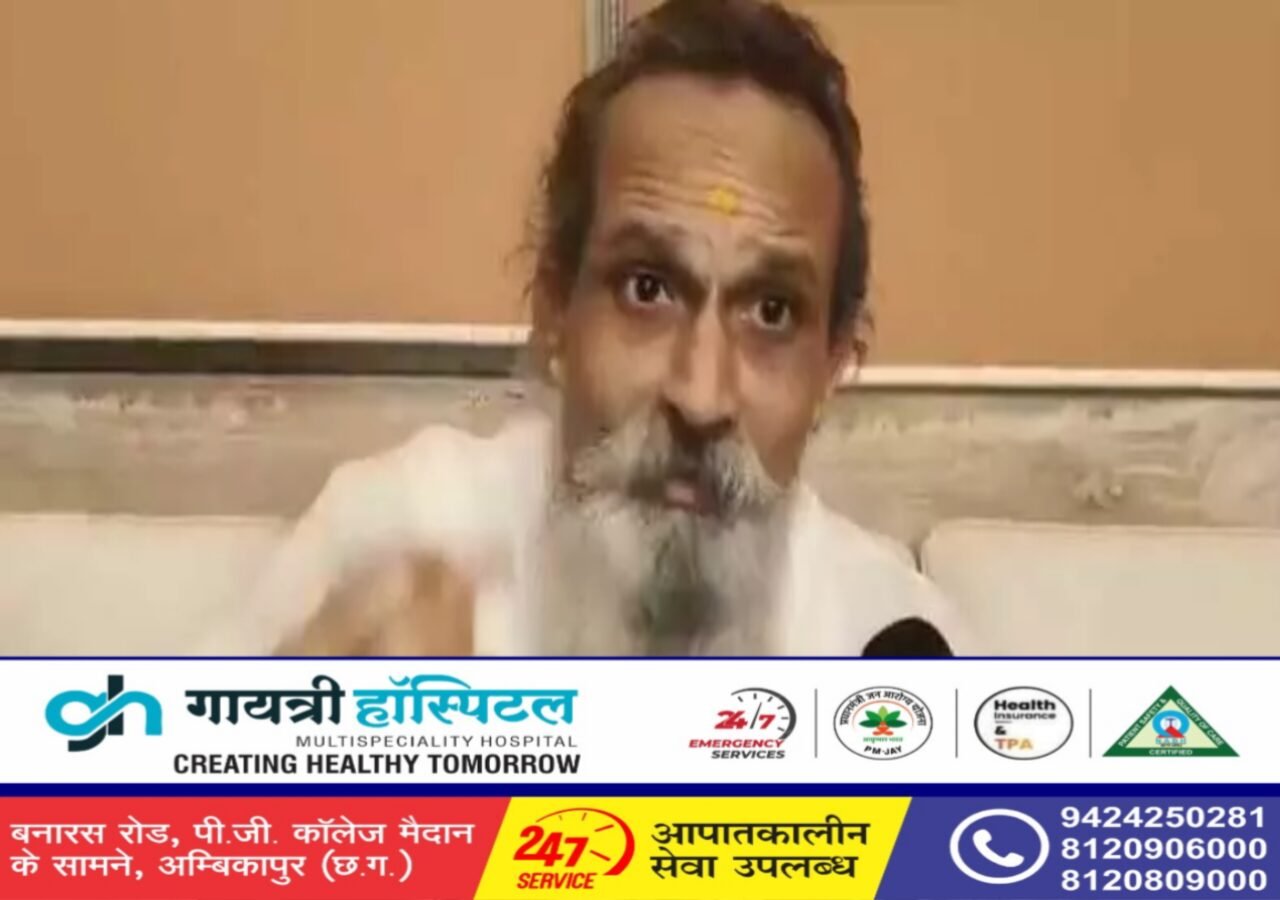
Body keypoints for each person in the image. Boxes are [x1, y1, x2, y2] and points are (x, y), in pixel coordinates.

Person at [217, 0, 967, 658]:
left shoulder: (897, 644)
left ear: (833, 367)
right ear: (553, 309)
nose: (701, 395)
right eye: (648, 288)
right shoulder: (394, 534)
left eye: (771, 311)